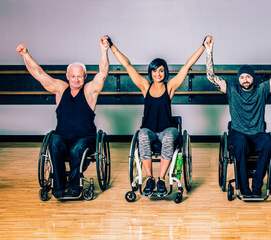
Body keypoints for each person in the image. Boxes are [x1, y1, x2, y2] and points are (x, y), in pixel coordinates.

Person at [106, 36, 205, 196]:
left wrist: (203, 46)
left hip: (168, 128)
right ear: (150, 73)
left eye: (161, 70)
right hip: (149, 129)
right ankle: (150, 178)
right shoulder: (145, 86)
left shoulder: (170, 86)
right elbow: (127, 65)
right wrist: (112, 47)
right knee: (142, 136)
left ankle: (161, 180)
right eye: (154, 70)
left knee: (167, 139)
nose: (157, 73)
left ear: (165, 72)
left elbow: (187, 66)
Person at [204, 30, 271, 198]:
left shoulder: (262, 90)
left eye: (248, 77)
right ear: (238, 80)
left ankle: (257, 185)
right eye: (242, 77)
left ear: (253, 78)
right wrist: (209, 52)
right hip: (238, 133)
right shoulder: (232, 90)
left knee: (267, 143)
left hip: (257, 133)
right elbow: (211, 77)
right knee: (239, 144)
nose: (245, 79)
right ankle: (244, 187)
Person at [15, 36, 110, 198]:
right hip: (63, 136)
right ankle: (58, 186)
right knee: (54, 141)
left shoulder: (89, 91)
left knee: (77, 148)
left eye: (79, 76)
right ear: (67, 76)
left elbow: (102, 73)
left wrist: (103, 50)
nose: (76, 79)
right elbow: (39, 74)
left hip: (84, 138)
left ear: (85, 77)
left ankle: (74, 186)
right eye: (73, 76)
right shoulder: (60, 89)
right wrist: (25, 55)